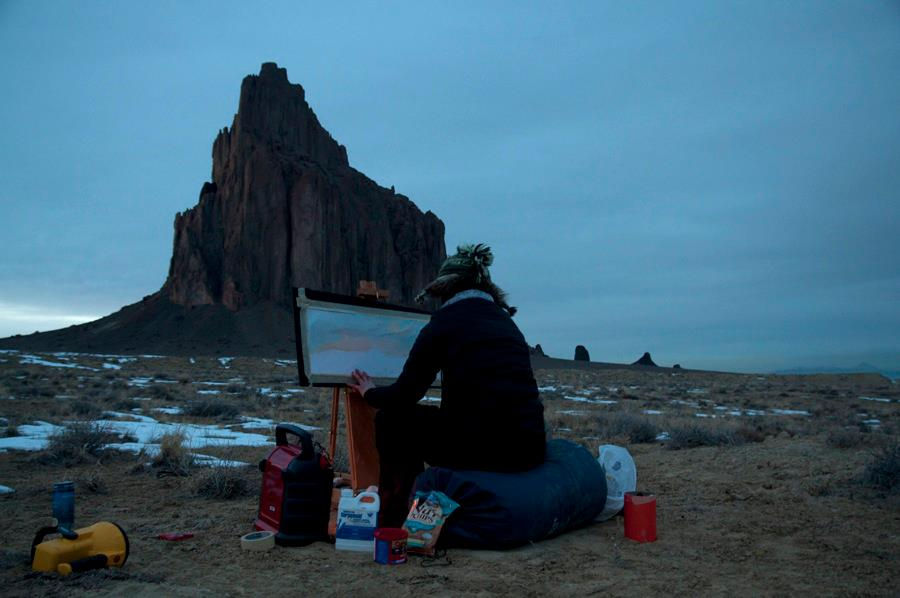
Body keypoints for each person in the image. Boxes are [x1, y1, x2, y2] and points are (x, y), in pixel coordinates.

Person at [349, 243, 546, 527]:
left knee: (393, 420)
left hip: (486, 448)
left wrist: (370, 392)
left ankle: (395, 514)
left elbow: (405, 394)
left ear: (445, 289)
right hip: (529, 447)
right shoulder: (507, 323)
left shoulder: (444, 323)